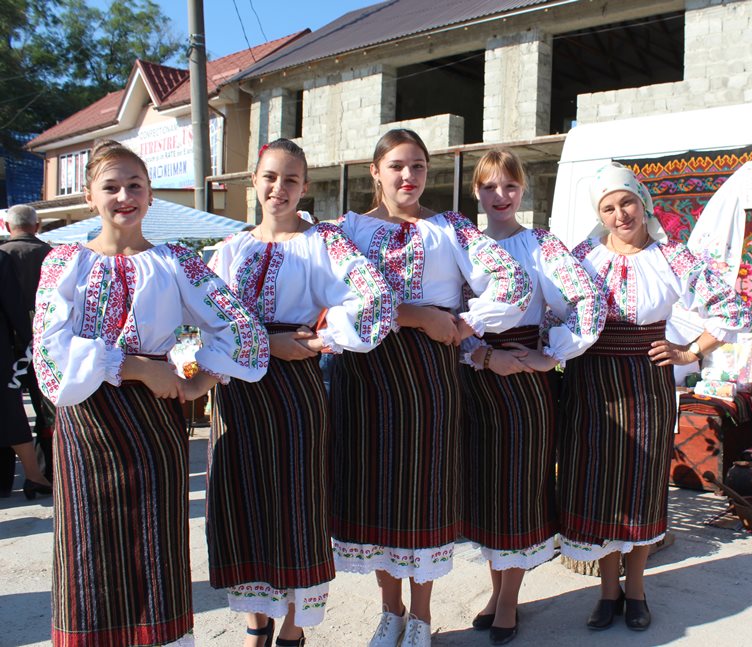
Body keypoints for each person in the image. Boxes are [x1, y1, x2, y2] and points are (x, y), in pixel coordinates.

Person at [31, 139, 269, 646]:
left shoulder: (175, 262)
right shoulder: (64, 262)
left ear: (150, 194)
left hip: (153, 423)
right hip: (87, 422)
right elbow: (51, 357)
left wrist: (204, 374)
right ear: (89, 197)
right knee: (87, 547)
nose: (124, 196)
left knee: (153, 544)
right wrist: (134, 365)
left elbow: (241, 328)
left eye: (135, 185)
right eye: (111, 186)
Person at [329, 129, 532, 647]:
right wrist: (415, 313)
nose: (408, 176)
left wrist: (464, 324)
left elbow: (511, 281)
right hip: (367, 374)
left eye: (418, 166)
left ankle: (420, 616)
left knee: (422, 491)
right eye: (397, 165)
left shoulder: (450, 229)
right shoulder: (344, 231)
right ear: (375, 171)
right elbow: (332, 296)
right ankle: (390, 611)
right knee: (374, 490)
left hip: (428, 379)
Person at [206, 138, 395, 647]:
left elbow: (373, 297)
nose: (279, 188)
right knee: (243, 500)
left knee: (298, 500)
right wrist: (264, 344)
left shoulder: (325, 244)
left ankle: (293, 629)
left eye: (291, 179)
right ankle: (255, 625)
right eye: (270, 177)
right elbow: (202, 324)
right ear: (254, 183)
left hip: (296, 388)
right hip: (238, 391)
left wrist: (325, 338)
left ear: (305, 187)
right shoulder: (227, 251)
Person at [558, 162, 751, 632]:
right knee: (599, 485)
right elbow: (554, 309)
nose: (620, 214)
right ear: (600, 215)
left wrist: (689, 350)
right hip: (590, 383)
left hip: (646, 383)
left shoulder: (673, 258)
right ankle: (607, 592)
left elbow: (733, 307)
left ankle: (638, 590)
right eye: (609, 208)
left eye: (627, 203)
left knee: (642, 486)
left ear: (642, 204)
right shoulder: (581, 256)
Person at [459, 150, 605, 644]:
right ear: (475, 191)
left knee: (519, 487)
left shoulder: (539, 243)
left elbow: (585, 296)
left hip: (524, 377)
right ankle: (496, 588)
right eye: (489, 187)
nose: (500, 197)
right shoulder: (465, 246)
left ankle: (508, 600)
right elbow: (450, 313)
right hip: (477, 377)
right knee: (487, 488)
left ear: (523, 191)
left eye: (510, 187)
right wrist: (478, 356)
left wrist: (554, 353)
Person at [1, 204, 55, 491]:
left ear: (9, 227)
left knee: (8, 409)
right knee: (46, 409)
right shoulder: (52, 255)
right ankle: (48, 469)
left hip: (9, 346)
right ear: (37, 225)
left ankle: (5, 477)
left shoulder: (3, 254)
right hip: (45, 342)